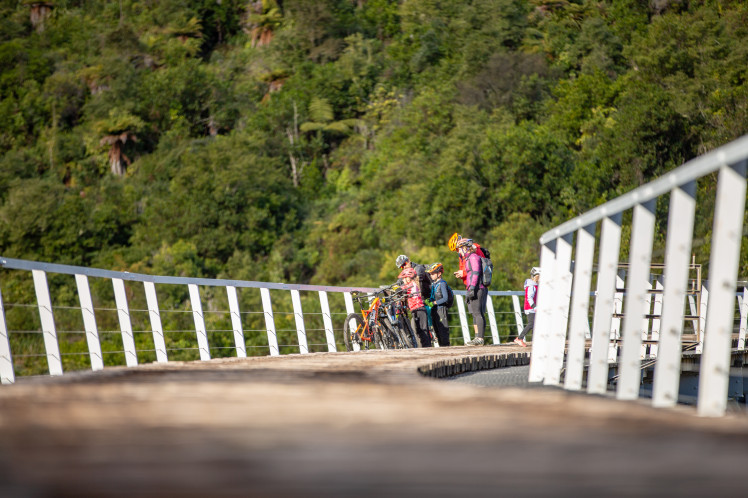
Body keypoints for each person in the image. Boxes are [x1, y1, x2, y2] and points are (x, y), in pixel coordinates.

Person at [456, 238, 487, 346]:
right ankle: (478, 337)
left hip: (477, 287)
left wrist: (472, 288)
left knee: (478, 313)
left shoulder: (473, 257)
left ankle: (480, 338)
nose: (459, 252)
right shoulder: (470, 257)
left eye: (459, 249)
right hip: (475, 287)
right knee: (476, 313)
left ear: (465, 248)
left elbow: (476, 272)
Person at [398, 267, 432, 347]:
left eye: (404, 278)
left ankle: (427, 348)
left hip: (419, 309)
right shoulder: (409, 285)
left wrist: (397, 289)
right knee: (418, 331)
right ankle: (424, 347)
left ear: (408, 278)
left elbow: (404, 289)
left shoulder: (412, 284)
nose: (403, 281)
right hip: (415, 310)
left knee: (423, 331)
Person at [426, 262, 451, 347]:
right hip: (434, 310)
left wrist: (435, 303)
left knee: (443, 330)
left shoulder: (442, 283)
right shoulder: (434, 284)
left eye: (433, 274)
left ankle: (446, 348)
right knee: (437, 331)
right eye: (430, 274)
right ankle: (442, 348)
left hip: (441, 309)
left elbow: (445, 298)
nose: (431, 276)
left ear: (439, 273)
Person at [515, 267, 540, 347]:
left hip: (533, 308)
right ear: (536, 276)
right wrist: (534, 307)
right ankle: (519, 338)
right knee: (531, 324)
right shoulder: (531, 286)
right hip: (530, 308)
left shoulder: (535, 285)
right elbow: (529, 297)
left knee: (535, 324)